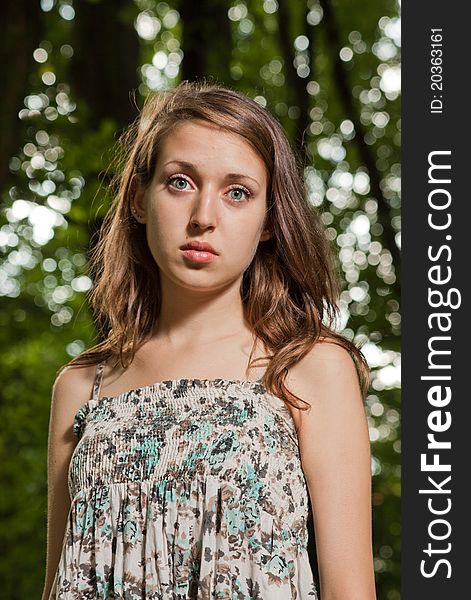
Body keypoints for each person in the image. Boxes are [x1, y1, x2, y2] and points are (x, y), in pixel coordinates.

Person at [42, 80, 376, 599]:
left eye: (237, 192)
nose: (204, 217)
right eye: (180, 182)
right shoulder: (83, 385)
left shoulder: (308, 367)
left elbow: (350, 591)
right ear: (137, 199)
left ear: (268, 220)